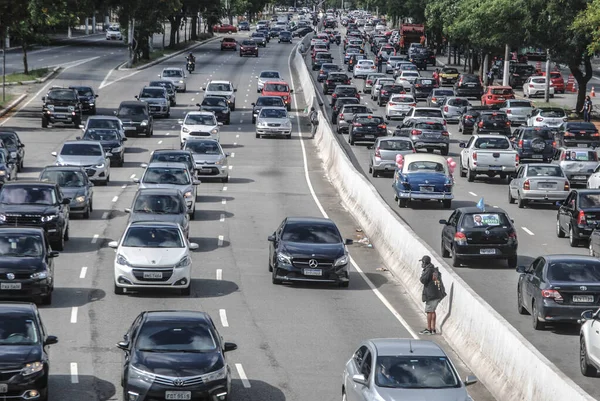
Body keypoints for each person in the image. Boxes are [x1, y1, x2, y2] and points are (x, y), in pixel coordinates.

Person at [419, 255, 446, 335]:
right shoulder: (434, 269)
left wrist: (423, 273)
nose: (422, 264)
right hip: (437, 293)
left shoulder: (428, 270)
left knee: (429, 311)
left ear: (424, 262)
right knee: (433, 311)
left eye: (422, 262)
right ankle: (433, 328)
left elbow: (423, 280)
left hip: (431, 294)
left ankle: (429, 329)